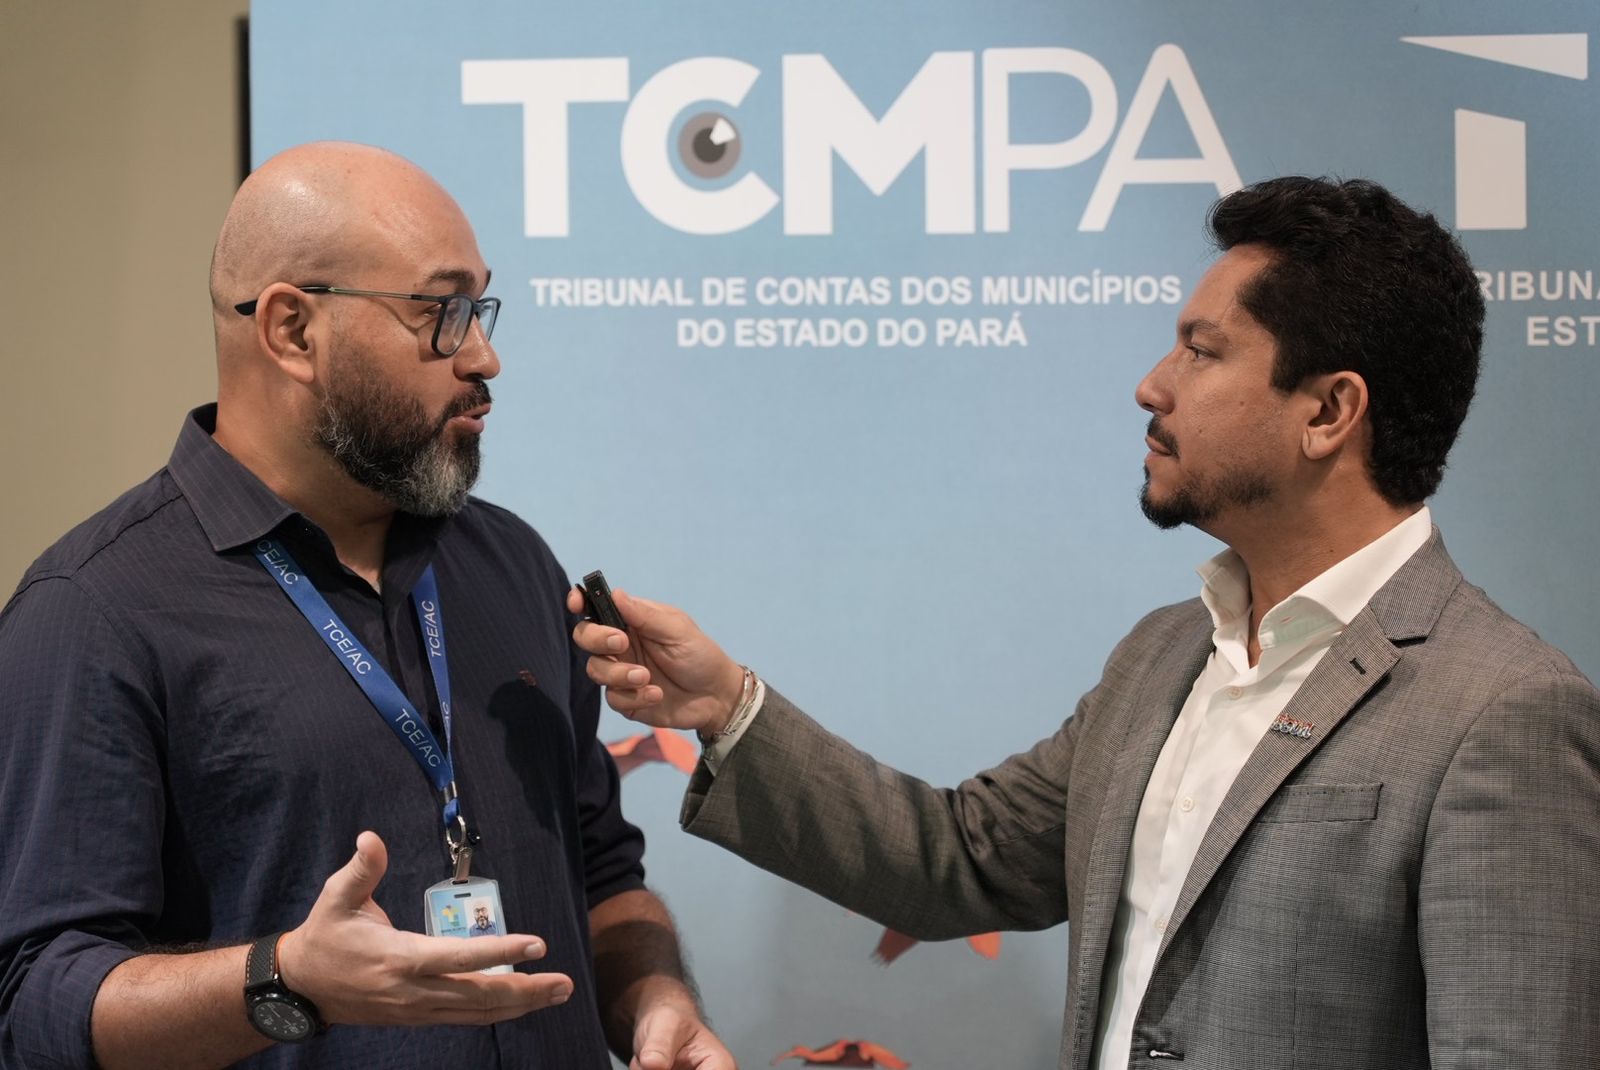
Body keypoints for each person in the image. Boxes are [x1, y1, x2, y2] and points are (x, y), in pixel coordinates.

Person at [569, 177, 1600, 1069]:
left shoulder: (1502, 712)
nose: (1152, 384)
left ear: (1328, 411)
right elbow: (958, 857)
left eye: (1202, 351)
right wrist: (725, 704)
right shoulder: (1162, 654)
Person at [0, 142, 731, 1070]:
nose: (485, 356)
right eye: (440, 312)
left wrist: (656, 1000)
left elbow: (601, 872)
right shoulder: (94, 611)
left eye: (480, 309)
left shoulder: (511, 562)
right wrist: (285, 981)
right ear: (292, 331)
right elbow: (33, 1000)